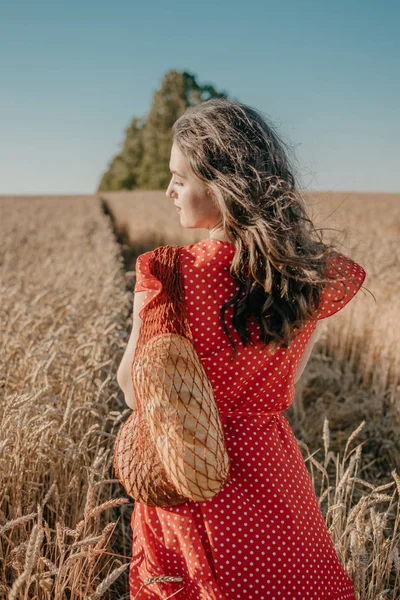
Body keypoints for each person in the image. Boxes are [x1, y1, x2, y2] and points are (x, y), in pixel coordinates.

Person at [116, 98, 366, 599]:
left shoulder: (170, 273)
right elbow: (288, 383)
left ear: (222, 183)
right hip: (272, 469)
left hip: (191, 469)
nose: (169, 191)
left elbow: (130, 388)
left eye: (179, 179)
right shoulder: (310, 276)